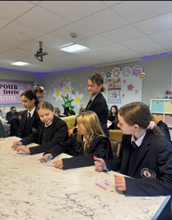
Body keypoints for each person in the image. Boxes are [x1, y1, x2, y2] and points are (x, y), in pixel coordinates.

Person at [94, 102, 172, 196]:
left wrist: (132, 185)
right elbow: (121, 160)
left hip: (147, 199)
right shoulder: (127, 137)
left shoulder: (162, 146)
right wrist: (108, 164)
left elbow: (169, 183)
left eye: (121, 123)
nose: (118, 125)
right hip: (126, 195)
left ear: (135, 127)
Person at [40, 111, 113, 170]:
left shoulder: (101, 141)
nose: (76, 127)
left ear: (89, 126)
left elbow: (93, 158)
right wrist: (51, 152)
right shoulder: (77, 137)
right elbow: (64, 146)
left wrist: (68, 162)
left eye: (79, 124)